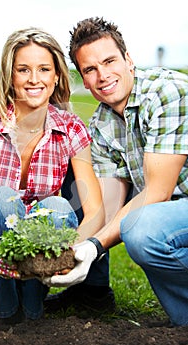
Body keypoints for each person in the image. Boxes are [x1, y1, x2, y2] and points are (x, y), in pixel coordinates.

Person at [0, 26, 113, 328]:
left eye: (44, 69)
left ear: (56, 77)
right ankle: (1, 311)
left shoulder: (71, 129)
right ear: (9, 75)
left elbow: (95, 211)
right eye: (23, 69)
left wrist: (71, 251)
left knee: (59, 208)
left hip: (38, 246)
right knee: (3, 200)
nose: (34, 79)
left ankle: (31, 315)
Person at [43, 17, 188, 326]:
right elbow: (108, 207)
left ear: (129, 60)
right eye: (90, 69)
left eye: (109, 61)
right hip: (175, 209)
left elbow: (158, 192)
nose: (103, 75)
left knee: (142, 229)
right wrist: (72, 252)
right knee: (94, 193)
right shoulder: (102, 123)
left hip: (175, 202)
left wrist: (94, 247)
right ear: (83, 78)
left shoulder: (166, 92)